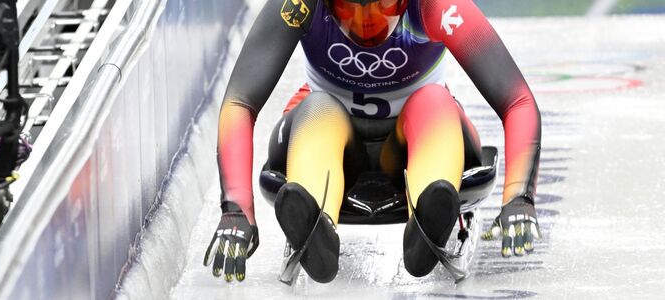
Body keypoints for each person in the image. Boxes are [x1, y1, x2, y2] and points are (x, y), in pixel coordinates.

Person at [204, 0, 541, 283]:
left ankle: (426, 216)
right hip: (333, 134)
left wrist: (519, 197)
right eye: (350, 10)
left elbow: (516, 100)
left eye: (382, 8)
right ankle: (313, 216)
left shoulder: (436, 6)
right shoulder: (299, 5)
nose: (366, 26)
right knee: (317, 108)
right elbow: (240, 102)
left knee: (434, 101)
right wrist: (235, 209)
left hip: (413, 139)